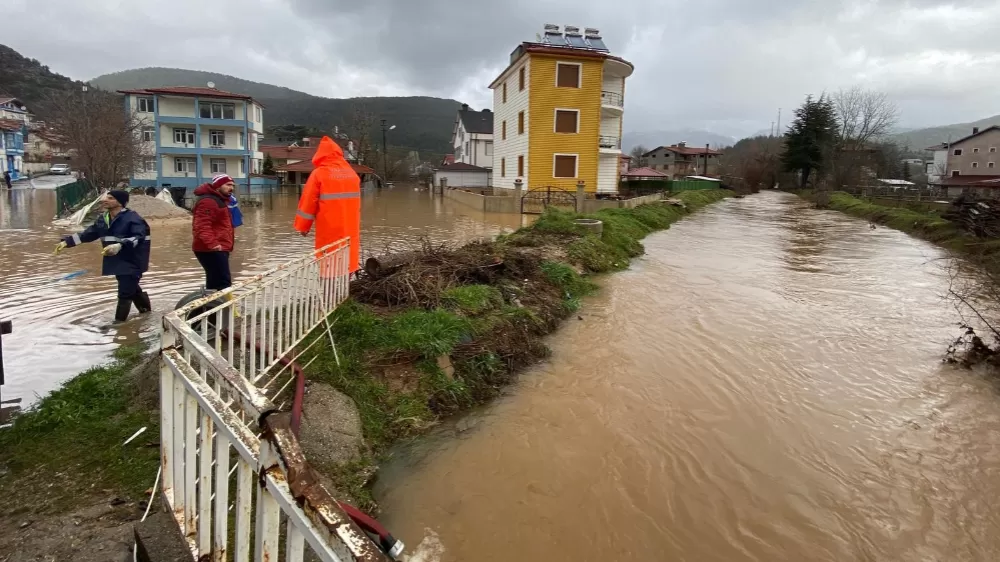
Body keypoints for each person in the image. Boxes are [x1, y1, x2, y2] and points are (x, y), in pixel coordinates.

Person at [54, 190, 151, 323]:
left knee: (125, 292)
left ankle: (119, 325)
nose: (104, 200)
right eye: (106, 197)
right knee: (131, 288)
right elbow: (88, 234)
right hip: (117, 261)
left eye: (110, 198)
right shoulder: (103, 219)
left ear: (120, 202)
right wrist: (67, 242)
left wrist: (120, 245)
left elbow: (138, 237)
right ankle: (146, 314)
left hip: (132, 261)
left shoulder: (133, 219)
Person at [293, 136, 361, 273]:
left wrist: (303, 226)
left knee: (329, 264)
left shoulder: (319, 174)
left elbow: (308, 202)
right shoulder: (352, 174)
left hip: (329, 228)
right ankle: (345, 290)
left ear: (320, 155)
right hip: (350, 227)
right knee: (348, 260)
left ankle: (328, 292)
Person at [192, 173, 235, 291]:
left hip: (217, 247)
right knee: (222, 284)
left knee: (216, 283)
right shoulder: (209, 201)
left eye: (232, 185)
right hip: (211, 249)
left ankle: (212, 307)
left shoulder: (220, 200)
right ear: (218, 186)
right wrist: (214, 244)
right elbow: (202, 226)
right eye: (228, 185)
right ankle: (222, 308)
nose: (231, 188)